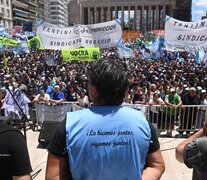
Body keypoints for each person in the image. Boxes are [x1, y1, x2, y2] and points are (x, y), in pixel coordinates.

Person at [45, 60, 165, 180]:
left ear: (93, 89)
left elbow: (53, 176)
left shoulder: (70, 124)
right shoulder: (142, 121)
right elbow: (157, 165)